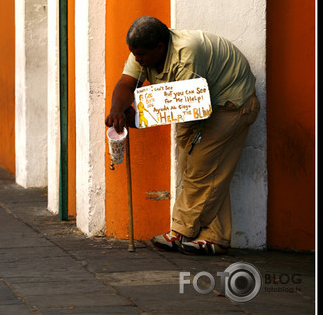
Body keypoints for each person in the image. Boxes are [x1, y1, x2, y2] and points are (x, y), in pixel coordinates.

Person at [105, 16, 260, 256]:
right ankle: (215, 238)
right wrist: (117, 109)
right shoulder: (141, 52)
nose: (137, 59)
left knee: (202, 168)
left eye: (142, 54)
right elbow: (126, 84)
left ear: (160, 47)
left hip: (231, 104)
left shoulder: (186, 55)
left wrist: (137, 118)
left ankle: (180, 231)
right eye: (134, 53)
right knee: (202, 170)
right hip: (197, 105)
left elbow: (187, 109)